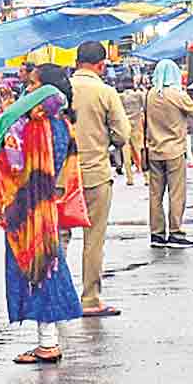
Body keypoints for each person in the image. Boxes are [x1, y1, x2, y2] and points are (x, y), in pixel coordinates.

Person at [0, 64, 84, 364]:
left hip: (28, 212)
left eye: (31, 87)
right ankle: (47, 339)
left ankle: (48, 343)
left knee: (37, 269)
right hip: (46, 207)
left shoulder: (33, 127)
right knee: (47, 267)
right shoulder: (62, 125)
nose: (26, 92)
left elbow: (14, 164)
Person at [70, 41, 131, 318]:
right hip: (95, 172)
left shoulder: (59, 88)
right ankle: (90, 299)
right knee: (93, 239)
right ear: (101, 65)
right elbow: (122, 135)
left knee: (59, 238)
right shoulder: (105, 92)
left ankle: (57, 297)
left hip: (62, 176)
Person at [144, 59, 193, 249]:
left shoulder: (151, 94)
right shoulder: (177, 94)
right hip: (174, 150)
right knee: (176, 194)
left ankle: (157, 233)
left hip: (154, 150)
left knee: (155, 195)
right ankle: (176, 232)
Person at [119, 79, 147, 186]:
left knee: (126, 153)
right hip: (137, 125)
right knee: (140, 150)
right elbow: (145, 107)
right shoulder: (139, 95)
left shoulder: (120, 97)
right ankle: (146, 177)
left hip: (124, 126)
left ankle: (129, 178)